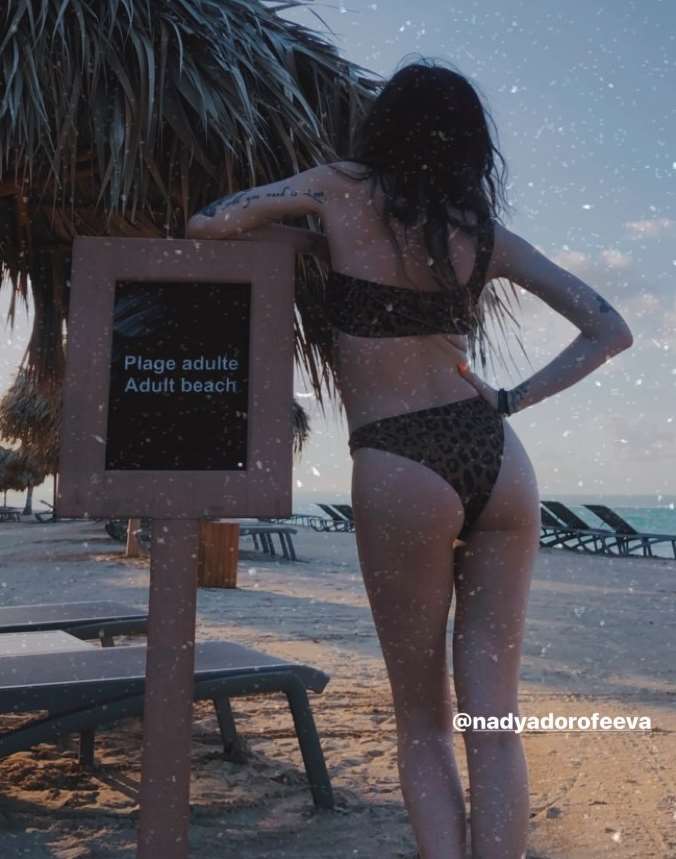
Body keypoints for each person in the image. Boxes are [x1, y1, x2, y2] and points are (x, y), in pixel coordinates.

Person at [187, 56, 633, 859]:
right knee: (493, 718)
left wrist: (312, 232)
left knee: (423, 717)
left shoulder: (338, 188)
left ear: (385, 125)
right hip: (496, 458)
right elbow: (609, 328)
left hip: (401, 461)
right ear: (469, 145)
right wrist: (512, 398)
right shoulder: (481, 235)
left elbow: (209, 224)